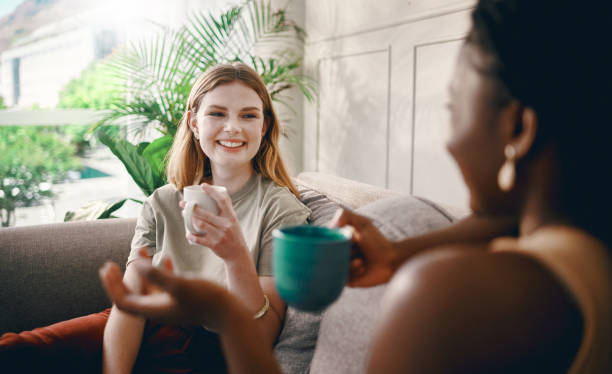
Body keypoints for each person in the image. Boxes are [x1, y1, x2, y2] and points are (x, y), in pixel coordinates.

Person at [98, 0, 612, 373]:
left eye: (452, 108)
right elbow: (497, 221)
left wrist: (225, 314)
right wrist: (399, 250)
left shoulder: (446, 294)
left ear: (518, 131)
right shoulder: (586, 247)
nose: (449, 138)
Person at [0, 62, 311, 373]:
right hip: (133, 325)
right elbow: (130, 299)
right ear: (194, 123)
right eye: (217, 113)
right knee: (13, 352)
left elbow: (260, 338)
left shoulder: (281, 210)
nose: (233, 127)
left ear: (264, 126)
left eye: (248, 115)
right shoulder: (162, 202)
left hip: (209, 348)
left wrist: (235, 256)